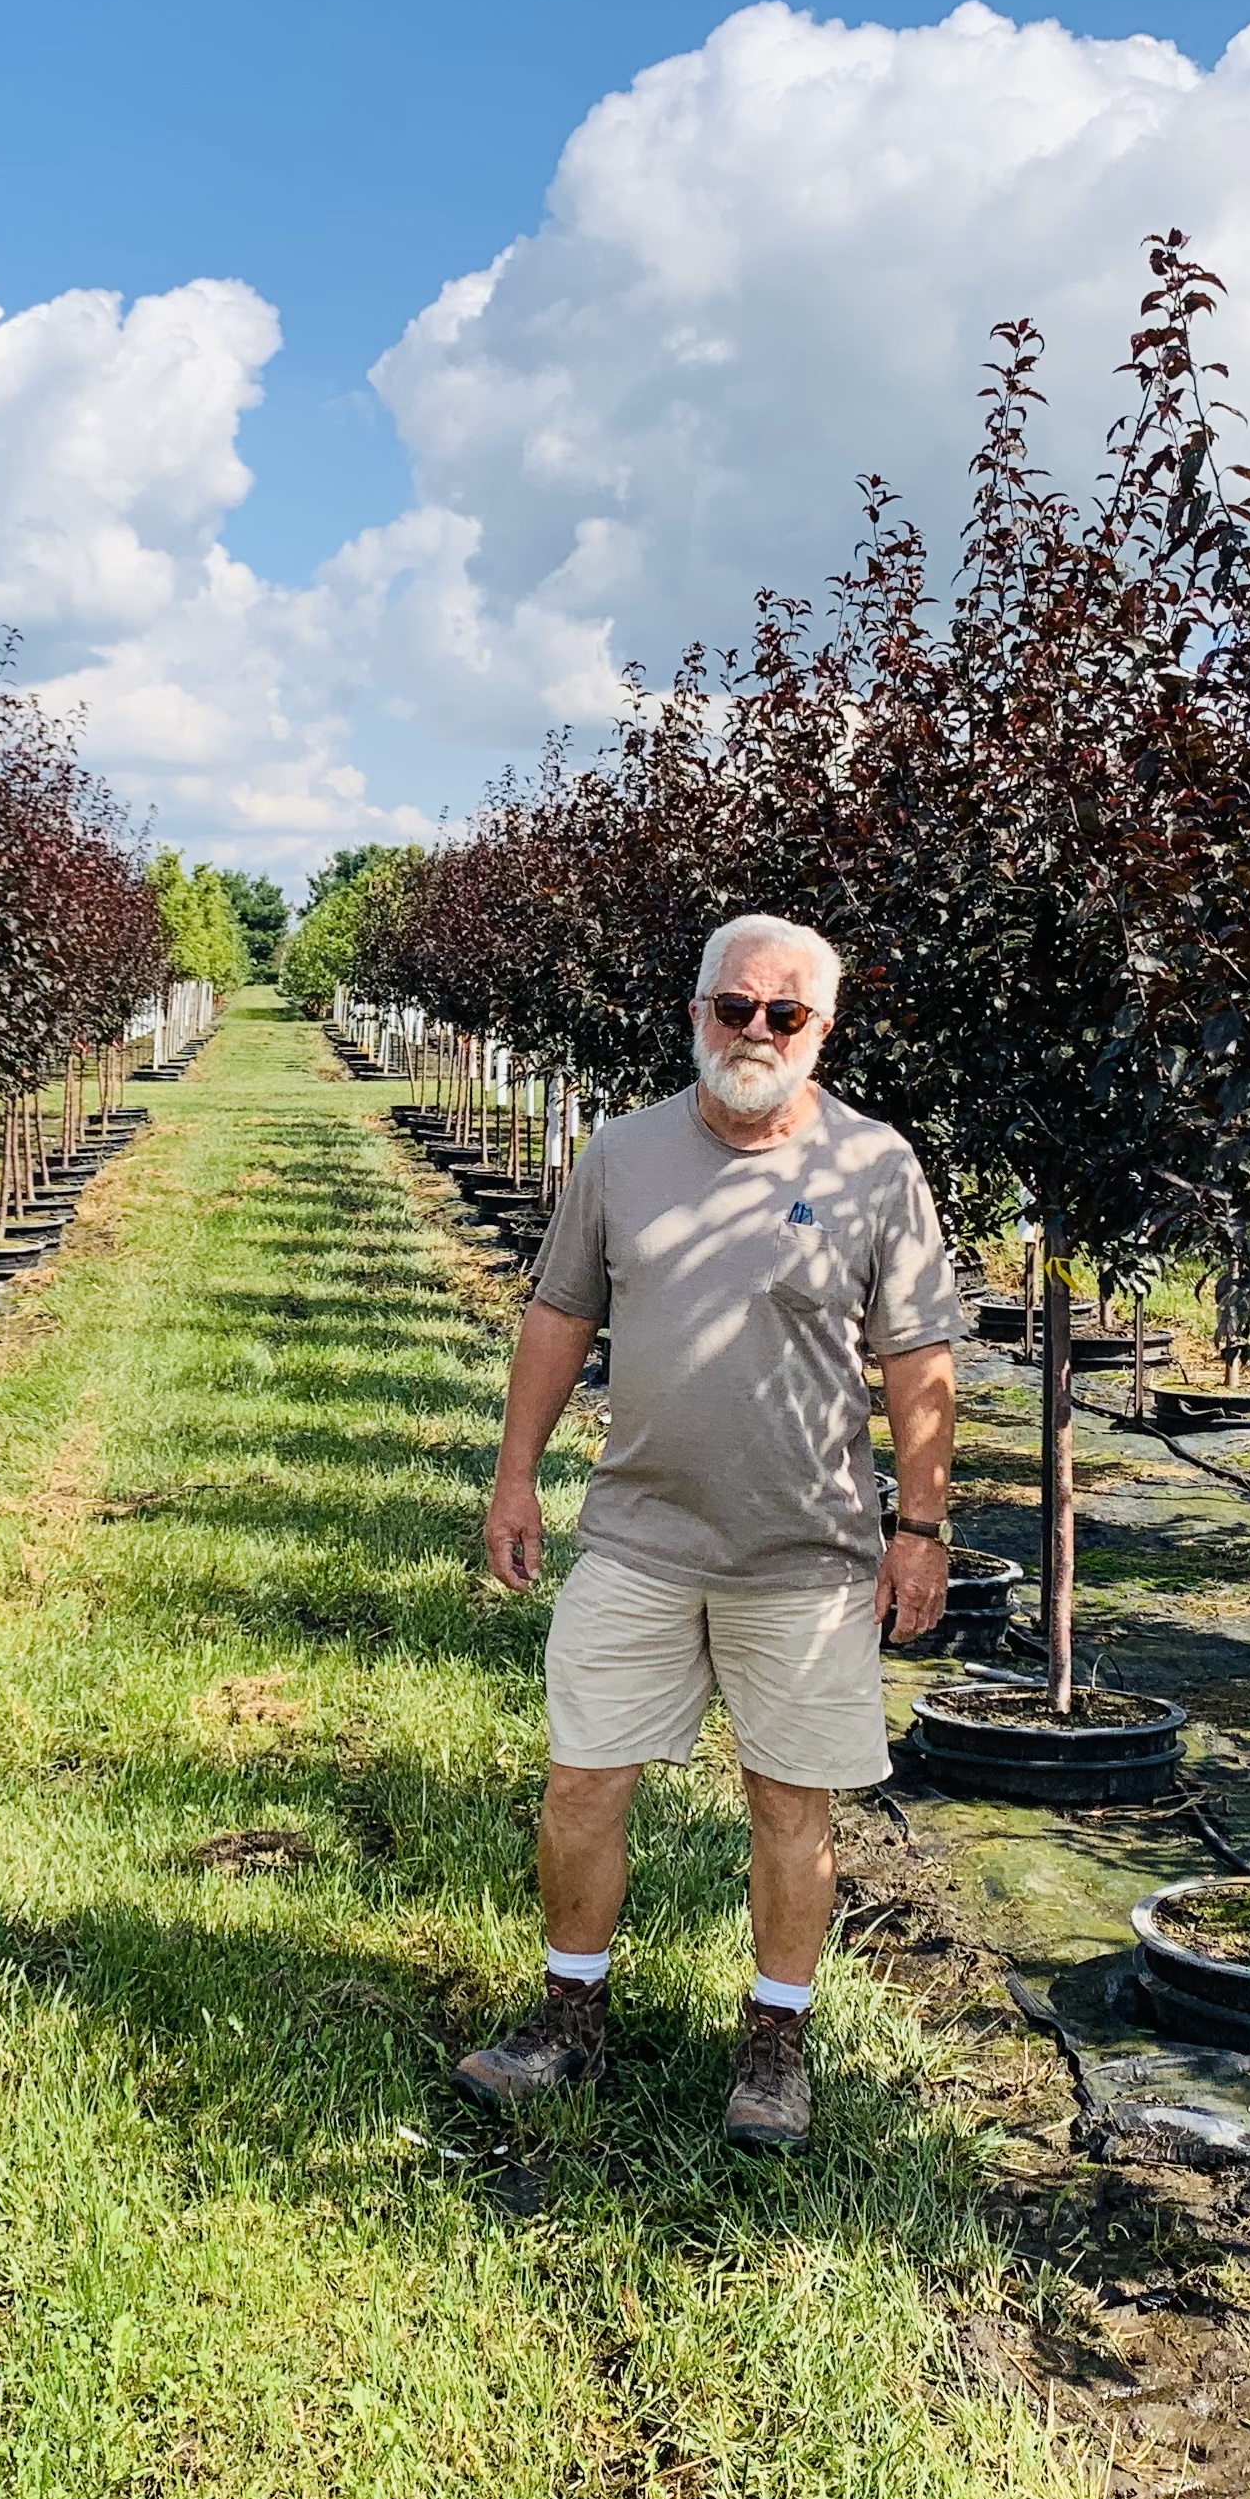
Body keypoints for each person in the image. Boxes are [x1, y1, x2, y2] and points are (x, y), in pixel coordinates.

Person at [456, 911, 964, 2148]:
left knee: (791, 1807)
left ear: (822, 1031)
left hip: (807, 1556)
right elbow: (558, 1317)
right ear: (695, 1011)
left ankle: (776, 2048)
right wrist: (515, 1480)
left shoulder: (875, 1168)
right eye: (734, 1007)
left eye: (784, 1015)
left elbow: (918, 1360)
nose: (754, 1032)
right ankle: (568, 2019)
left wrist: (926, 1524)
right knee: (582, 1784)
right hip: (637, 1536)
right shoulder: (620, 1155)